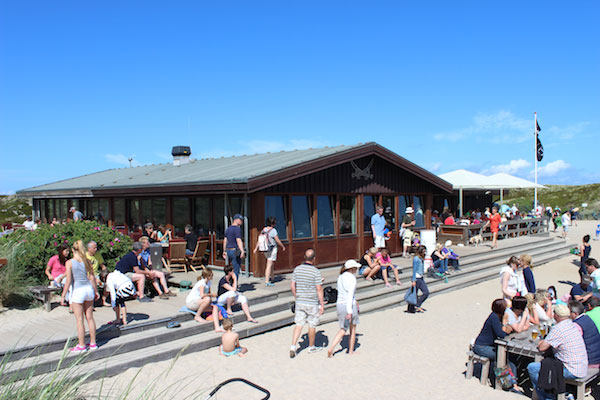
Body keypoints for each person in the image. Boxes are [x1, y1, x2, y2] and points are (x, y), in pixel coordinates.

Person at [527, 304, 588, 400]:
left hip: (571, 369)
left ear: (556, 315)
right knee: (547, 364)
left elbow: (542, 348)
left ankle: (547, 397)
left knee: (532, 368)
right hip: (581, 366)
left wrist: (541, 342)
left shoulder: (558, 329)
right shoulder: (572, 325)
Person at [60, 240, 99, 353]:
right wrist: (96, 291)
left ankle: (81, 345)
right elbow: (92, 277)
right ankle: (93, 343)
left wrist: (63, 295)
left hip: (78, 290)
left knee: (79, 320)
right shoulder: (87, 260)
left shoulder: (70, 262)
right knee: (90, 318)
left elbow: (68, 280)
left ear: (73, 250)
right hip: (88, 289)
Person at [290, 249, 325, 358]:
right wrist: (322, 304)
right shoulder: (315, 271)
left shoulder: (297, 269)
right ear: (314, 259)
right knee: (312, 324)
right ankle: (311, 346)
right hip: (311, 301)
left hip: (300, 300)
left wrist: (296, 296)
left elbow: (292, 285)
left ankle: (293, 346)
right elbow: (319, 288)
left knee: (299, 324)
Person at [473, 299, 516, 383]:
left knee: (509, 356)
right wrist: (505, 323)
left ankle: (508, 380)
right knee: (503, 357)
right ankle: (506, 382)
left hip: (488, 345)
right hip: (482, 347)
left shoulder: (497, 316)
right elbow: (501, 334)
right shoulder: (494, 317)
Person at [328, 260, 361, 357]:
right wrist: (350, 311)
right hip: (349, 305)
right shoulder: (352, 278)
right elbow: (350, 294)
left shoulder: (341, 277)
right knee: (352, 329)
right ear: (352, 268)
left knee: (343, 328)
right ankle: (350, 351)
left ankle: (331, 348)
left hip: (340, 304)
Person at [253, 216, 286, 286]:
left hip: (265, 249)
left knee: (271, 263)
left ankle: (272, 277)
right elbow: (277, 240)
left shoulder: (264, 230)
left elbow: (260, 240)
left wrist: (256, 248)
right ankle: (267, 281)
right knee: (269, 264)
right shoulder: (273, 230)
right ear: (273, 223)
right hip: (272, 248)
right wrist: (282, 246)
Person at [568, 300, 600, 368]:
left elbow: (572, 344)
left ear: (575, 313)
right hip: (596, 357)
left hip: (589, 361)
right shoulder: (587, 318)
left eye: (569, 312)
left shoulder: (577, 325)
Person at [408, 246, 429, 313]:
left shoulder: (421, 258)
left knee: (424, 293)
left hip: (421, 277)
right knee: (415, 294)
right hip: (417, 278)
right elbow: (414, 270)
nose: (425, 252)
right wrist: (413, 280)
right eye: (423, 251)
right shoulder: (416, 259)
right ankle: (414, 307)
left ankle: (415, 306)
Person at [223, 214, 245, 278]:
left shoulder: (228, 229)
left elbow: (225, 240)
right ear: (236, 220)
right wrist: (242, 251)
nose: (242, 221)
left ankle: (228, 281)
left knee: (230, 269)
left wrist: (224, 251)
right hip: (235, 251)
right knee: (236, 269)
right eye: (240, 220)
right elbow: (238, 240)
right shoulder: (237, 229)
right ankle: (234, 283)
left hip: (229, 250)